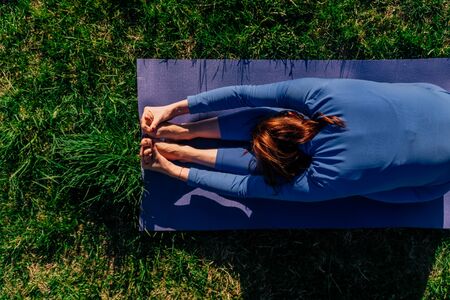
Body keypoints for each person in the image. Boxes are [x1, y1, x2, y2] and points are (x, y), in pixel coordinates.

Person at [139, 78, 450, 203]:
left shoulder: (322, 98)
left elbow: (245, 94)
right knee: (378, 189)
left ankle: (188, 140)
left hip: (435, 104)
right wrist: (173, 168)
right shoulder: (326, 178)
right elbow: (249, 187)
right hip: (435, 149)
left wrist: (176, 107)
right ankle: (187, 146)